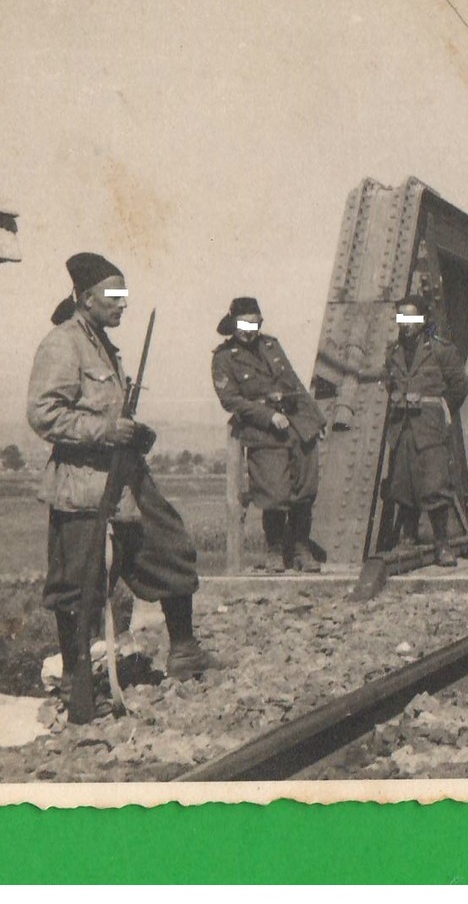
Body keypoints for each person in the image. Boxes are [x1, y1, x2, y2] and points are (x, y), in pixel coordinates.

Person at [26, 252, 218, 714]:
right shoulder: (63, 344)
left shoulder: (103, 346)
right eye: (114, 295)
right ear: (87, 297)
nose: (123, 304)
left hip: (126, 480)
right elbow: (43, 413)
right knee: (79, 584)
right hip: (84, 486)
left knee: (170, 548)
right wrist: (105, 430)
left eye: (124, 295)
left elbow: (107, 412)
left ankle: (186, 654)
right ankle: (77, 683)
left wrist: (133, 432)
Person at [211, 296, 327, 573]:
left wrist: (315, 419)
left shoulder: (271, 345)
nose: (249, 330)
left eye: (254, 324)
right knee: (274, 492)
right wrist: (268, 416)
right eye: (243, 324)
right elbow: (231, 400)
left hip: (297, 424)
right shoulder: (224, 358)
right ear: (233, 324)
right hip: (264, 430)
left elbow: (294, 381)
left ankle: (301, 548)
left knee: (304, 490)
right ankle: (274, 549)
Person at [381, 295, 468, 566]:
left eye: (412, 318)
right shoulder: (392, 351)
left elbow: (460, 385)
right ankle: (409, 540)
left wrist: (442, 407)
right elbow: (390, 383)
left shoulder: (441, 350)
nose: (406, 324)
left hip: (429, 427)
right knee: (403, 485)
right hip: (403, 427)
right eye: (402, 318)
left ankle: (441, 543)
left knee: (435, 485)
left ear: (423, 320)